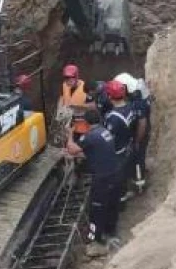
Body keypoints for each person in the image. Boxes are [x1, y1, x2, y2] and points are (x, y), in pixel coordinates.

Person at [65, 109, 122, 251]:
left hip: (102, 178)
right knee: (111, 205)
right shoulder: (104, 132)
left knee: (96, 208)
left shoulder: (90, 136)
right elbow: (97, 152)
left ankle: (95, 240)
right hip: (114, 174)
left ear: (86, 122)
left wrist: (70, 133)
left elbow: (72, 149)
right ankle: (111, 232)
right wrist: (79, 156)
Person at [101, 80, 136, 203]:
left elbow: (107, 139)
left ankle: (120, 202)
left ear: (110, 96)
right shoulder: (130, 107)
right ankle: (124, 193)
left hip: (117, 152)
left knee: (116, 180)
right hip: (127, 146)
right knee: (123, 175)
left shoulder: (113, 119)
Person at [58, 64, 90, 137]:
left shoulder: (86, 88)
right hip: (67, 125)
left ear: (76, 77)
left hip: (82, 128)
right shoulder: (64, 85)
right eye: (66, 79)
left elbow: (93, 107)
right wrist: (60, 111)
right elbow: (61, 98)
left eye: (70, 79)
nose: (68, 81)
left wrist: (78, 107)